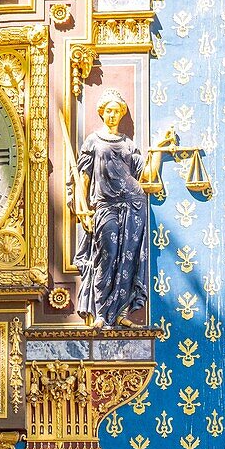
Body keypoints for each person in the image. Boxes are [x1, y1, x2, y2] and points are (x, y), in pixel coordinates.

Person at [73, 88, 148, 329]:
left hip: (133, 204)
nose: (113, 115)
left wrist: (157, 150)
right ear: (102, 113)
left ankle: (121, 313)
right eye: (109, 111)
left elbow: (144, 176)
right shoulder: (93, 141)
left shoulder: (128, 144)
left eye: (117, 111)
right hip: (105, 206)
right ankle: (101, 313)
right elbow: (83, 179)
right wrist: (82, 208)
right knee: (106, 257)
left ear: (122, 114)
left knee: (127, 259)